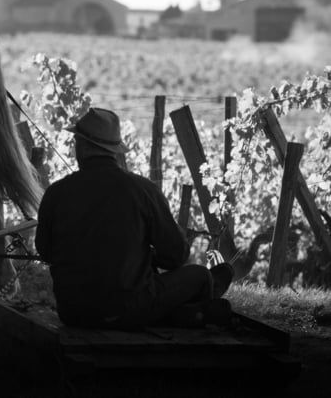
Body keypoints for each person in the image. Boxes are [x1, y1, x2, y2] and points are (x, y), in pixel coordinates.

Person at [35, 107, 234, 330]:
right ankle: (199, 304)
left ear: (79, 146)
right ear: (115, 150)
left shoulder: (56, 192)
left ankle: (188, 313)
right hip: (128, 309)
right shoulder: (143, 190)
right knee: (199, 275)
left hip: (73, 313)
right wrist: (147, 255)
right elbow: (176, 256)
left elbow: (45, 251)